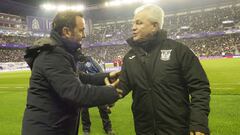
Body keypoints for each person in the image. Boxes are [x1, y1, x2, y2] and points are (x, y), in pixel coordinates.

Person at [115, 4, 211, 135]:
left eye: (139, 23)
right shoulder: (129, 57)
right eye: (133, 23)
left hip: (177, 129)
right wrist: (102, 94)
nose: (133, 28)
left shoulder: (179, 51)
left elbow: (200, 87)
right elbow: (121, 87)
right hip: (144, 130)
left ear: (154, 26)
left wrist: (198, 123)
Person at [22, 11, 122, 135]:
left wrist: (106, 76)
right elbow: (75, 93)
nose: (84, 35)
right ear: (67, 31)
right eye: (81, 30)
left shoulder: (61, 52)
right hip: (46, 130)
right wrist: (111, 92)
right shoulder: (52, 55)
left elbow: (80, 77)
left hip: (55, 127)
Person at [76, 54, 115, 135]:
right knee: (84, 110)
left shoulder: (90, 59)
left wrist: (102, 82)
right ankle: (86, 130)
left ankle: (108, 128)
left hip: (96, 86)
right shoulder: (76, 63)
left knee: (103, 108)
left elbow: (100, 70)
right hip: (84, 88)